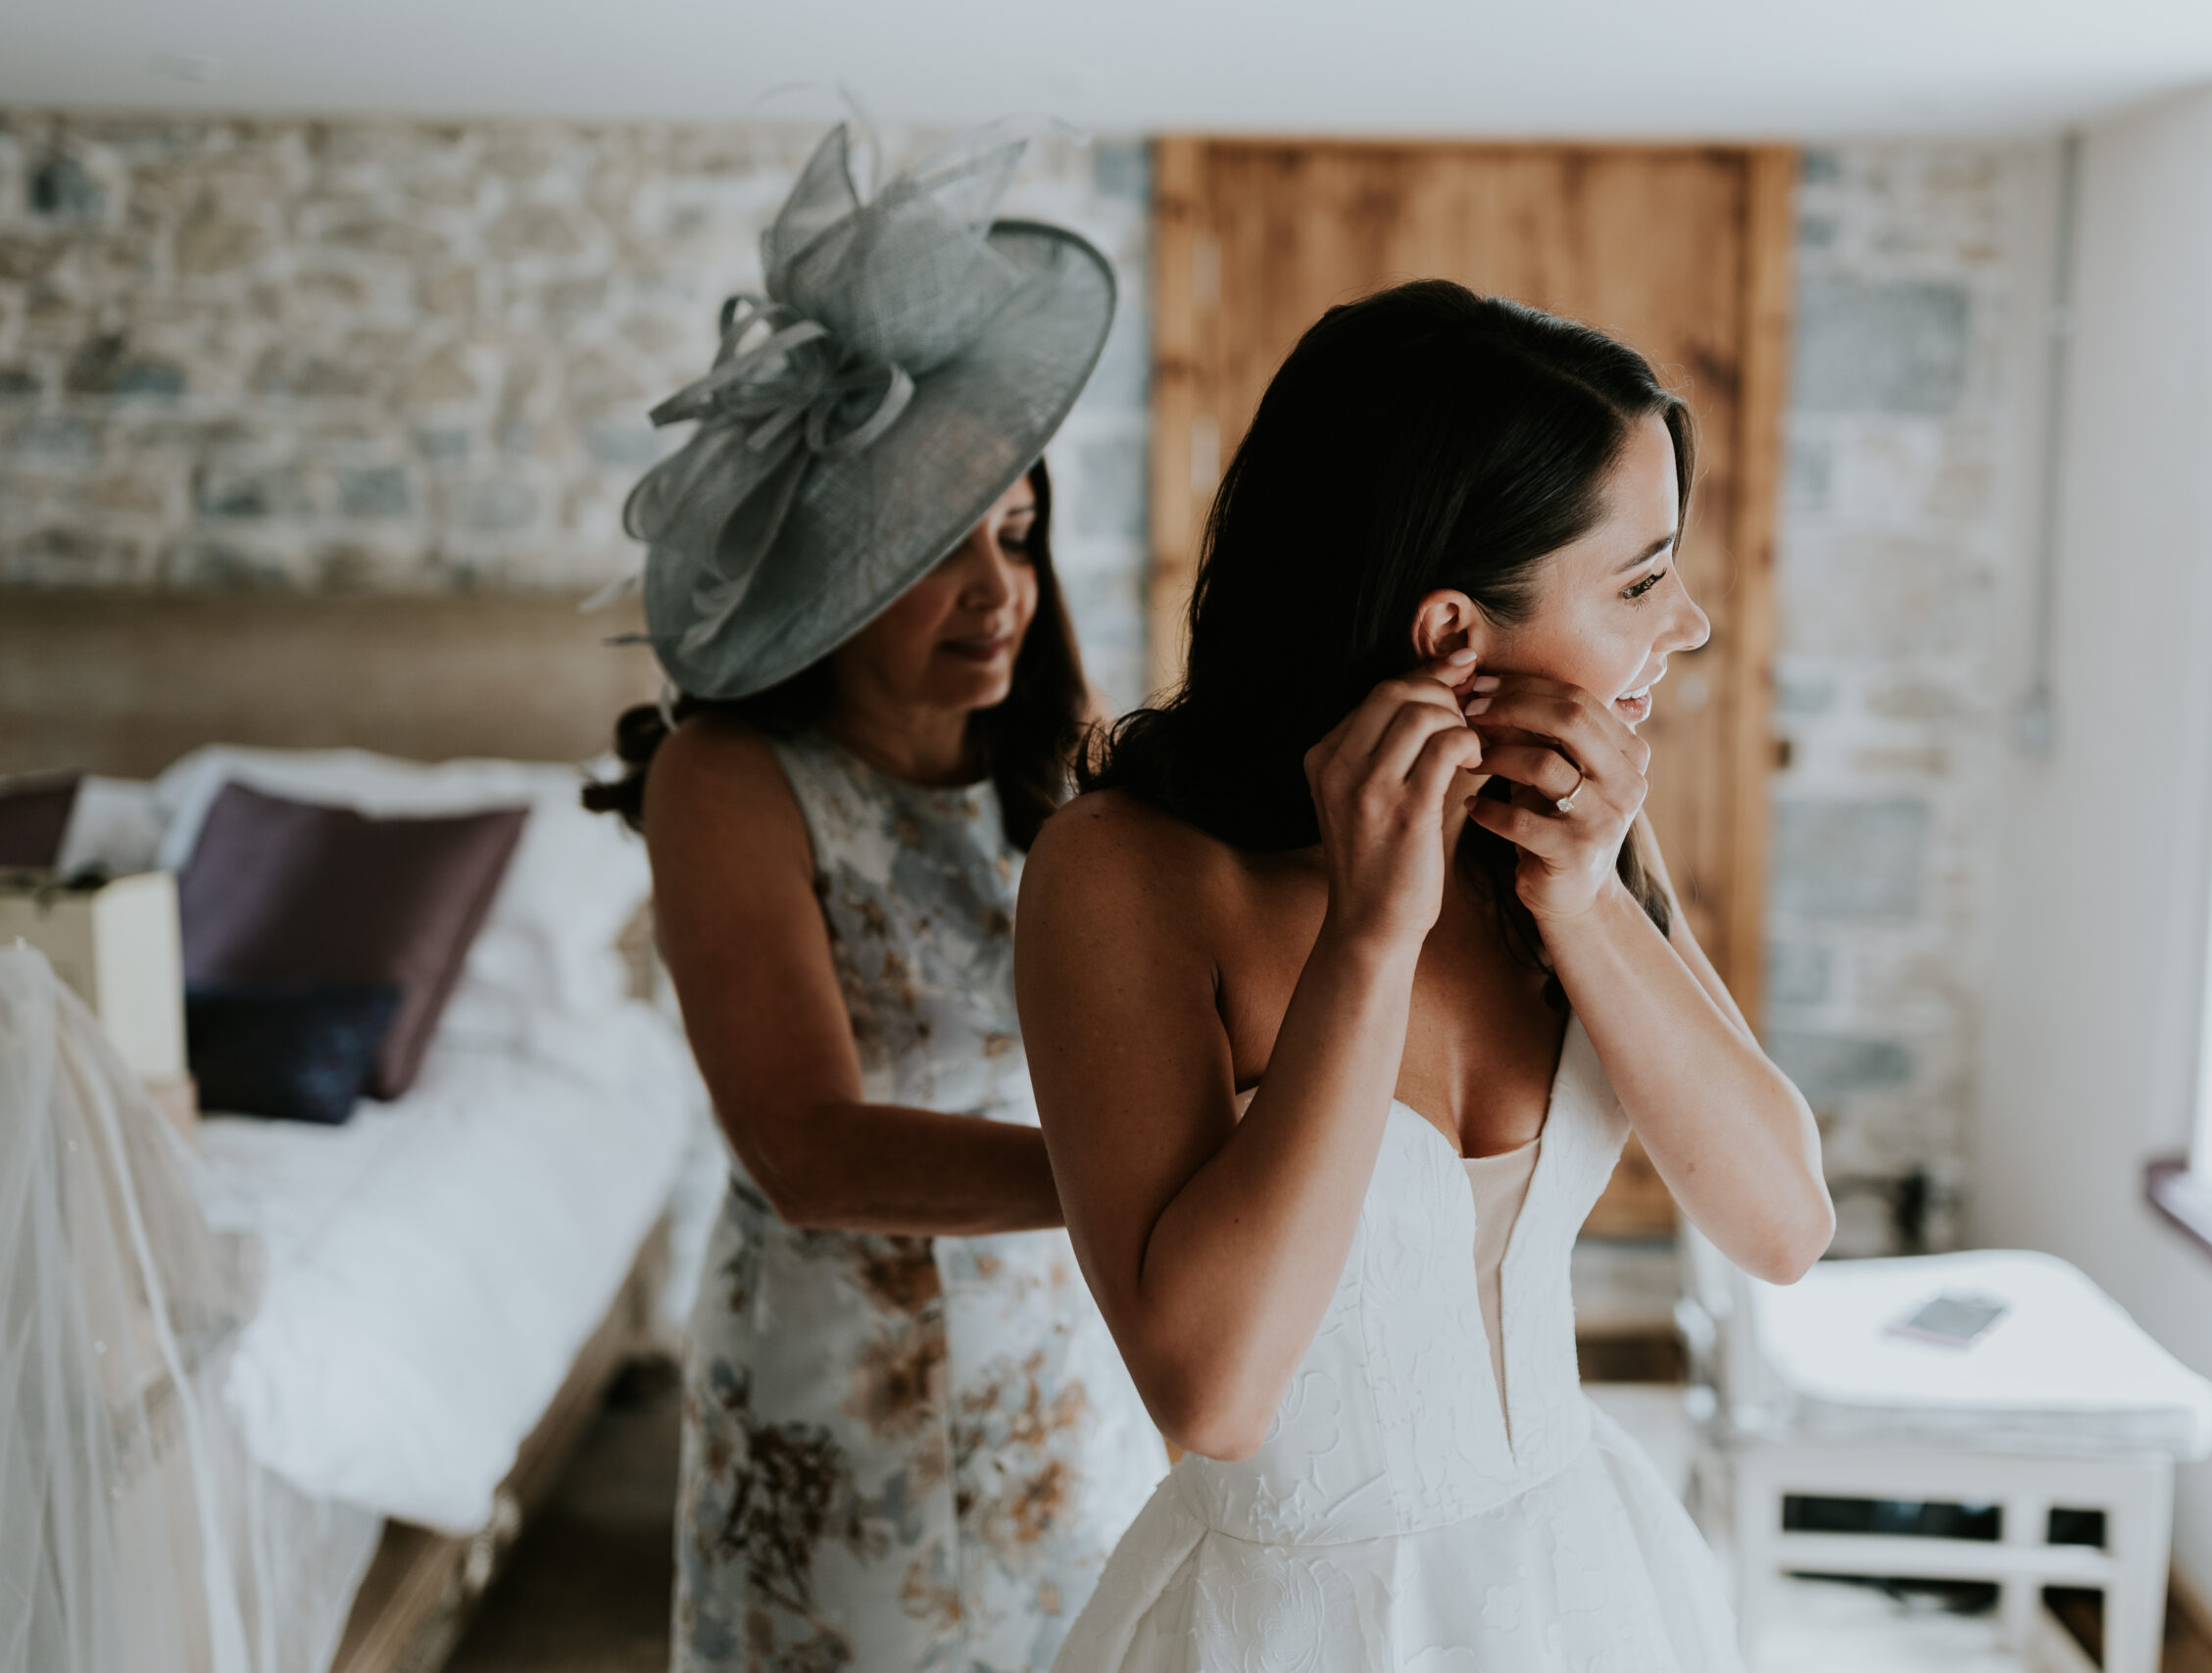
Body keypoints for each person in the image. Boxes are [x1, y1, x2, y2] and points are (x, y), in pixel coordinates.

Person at [1017, 278, 1835, 1670]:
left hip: (1581, 1590)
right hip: (1281, 1629)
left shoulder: (1580, 836)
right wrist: (1370, 941)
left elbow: (1781, 1226)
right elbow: (1213, 1391)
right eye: (1641, 579)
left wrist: (1583, 897)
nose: (1687, 622)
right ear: (1453, 633)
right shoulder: (1126, 874)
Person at [584, 123, 1166, 1673]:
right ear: (829, 571)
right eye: (935, 551)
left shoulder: (1065, 781)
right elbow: (805, 1146)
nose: (999, 593)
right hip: (845, 1376)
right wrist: (1140, 1178)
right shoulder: (731, 779)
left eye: (1019, 537)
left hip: (1058, 1347)